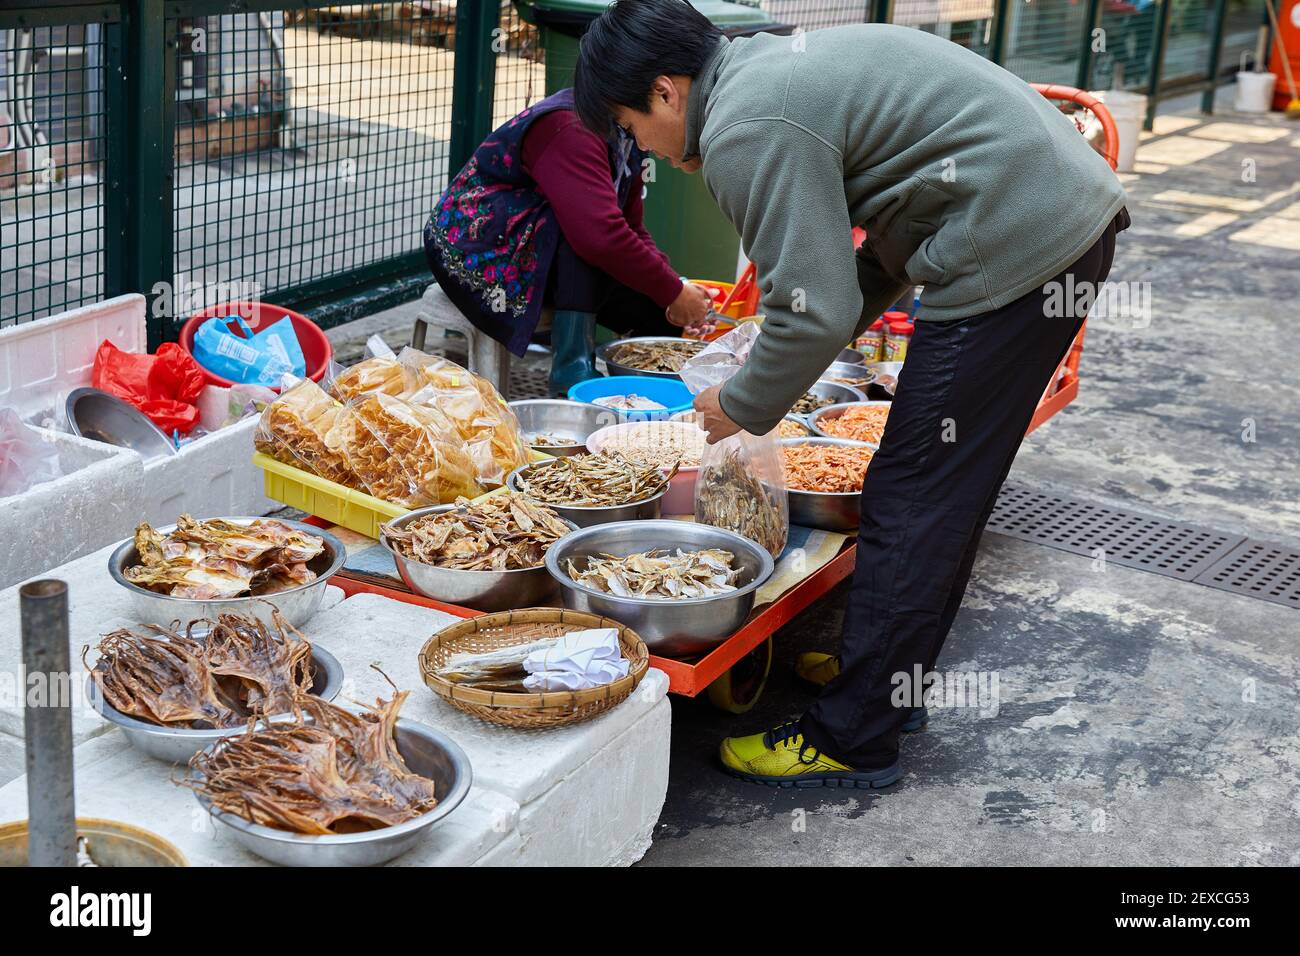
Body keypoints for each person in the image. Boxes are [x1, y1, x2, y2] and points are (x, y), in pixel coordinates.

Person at [575, 0, 1128, 788]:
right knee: (942, 485)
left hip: (1016, 245)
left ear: (666, 91)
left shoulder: (742, 126)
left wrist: (739, 407)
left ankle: (853, 731)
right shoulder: (763, 75)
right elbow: (857, 271)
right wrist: (791, 352)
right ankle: (888, 678)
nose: (640, 145)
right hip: (1044, 221)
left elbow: (815, 306)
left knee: (911, 492)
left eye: (630, 126)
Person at [423, 86, 714, 396]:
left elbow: (630, 227)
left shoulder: (626, 132)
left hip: (540, 252)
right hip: (478, 252)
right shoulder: (568, 126)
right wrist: (672, 291)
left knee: (652, 301)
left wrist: (674, 291)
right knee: (584, 229)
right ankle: (572, 375)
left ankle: (650, 397)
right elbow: (600, 235)